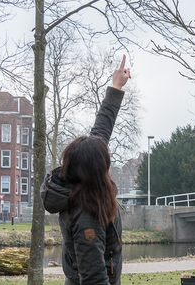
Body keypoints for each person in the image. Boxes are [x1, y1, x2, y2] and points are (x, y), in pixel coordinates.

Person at [43, 55, 130, 285]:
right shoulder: (87, 213)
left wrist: (116, 87)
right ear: (97, 169)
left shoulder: (81, 182)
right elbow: (93, 278)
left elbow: (101, 129)